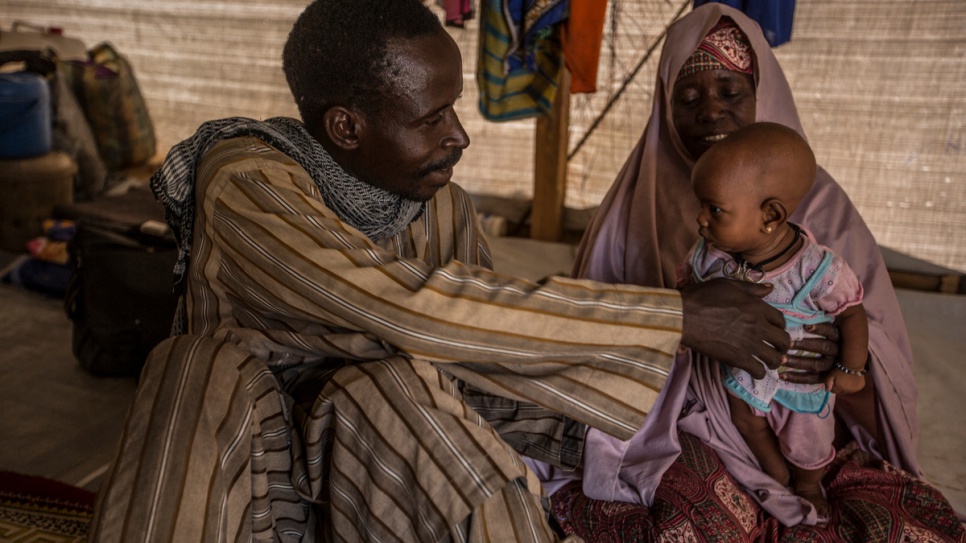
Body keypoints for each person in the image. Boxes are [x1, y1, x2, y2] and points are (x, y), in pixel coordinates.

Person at [86, 1, 796, 541]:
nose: (457, 134)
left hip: (373, 483)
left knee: (397, 385)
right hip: (247, 486)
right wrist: (677, 317)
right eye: (433, 117)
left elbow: (476, 358)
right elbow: (404, 306)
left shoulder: (442, 206)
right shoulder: (247, 180)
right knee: (196, 366)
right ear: (345, 128)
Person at [548, 3, 964, 539]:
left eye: (731, 92)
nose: (711, 112)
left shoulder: (822, 205)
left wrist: (842, 353)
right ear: (663, 106)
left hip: (806, 417)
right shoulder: (634, 203)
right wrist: (685, 331)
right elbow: (587, 341)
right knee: (681, 514)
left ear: (762, 96)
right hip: (679, 425)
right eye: (689, 97)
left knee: (905, 522)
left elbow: (871, 328)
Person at [680, 122, 869, 517]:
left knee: (809, 445)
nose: (700, 219)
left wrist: (851, 366)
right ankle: (777, 478)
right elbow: (681, 295)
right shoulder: (710, 257)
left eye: (714, 209)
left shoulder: (816, 270)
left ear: (771, 214)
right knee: (748, 424)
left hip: (803, 384)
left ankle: (807, 484)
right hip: (746, 376)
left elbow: (851, 313)